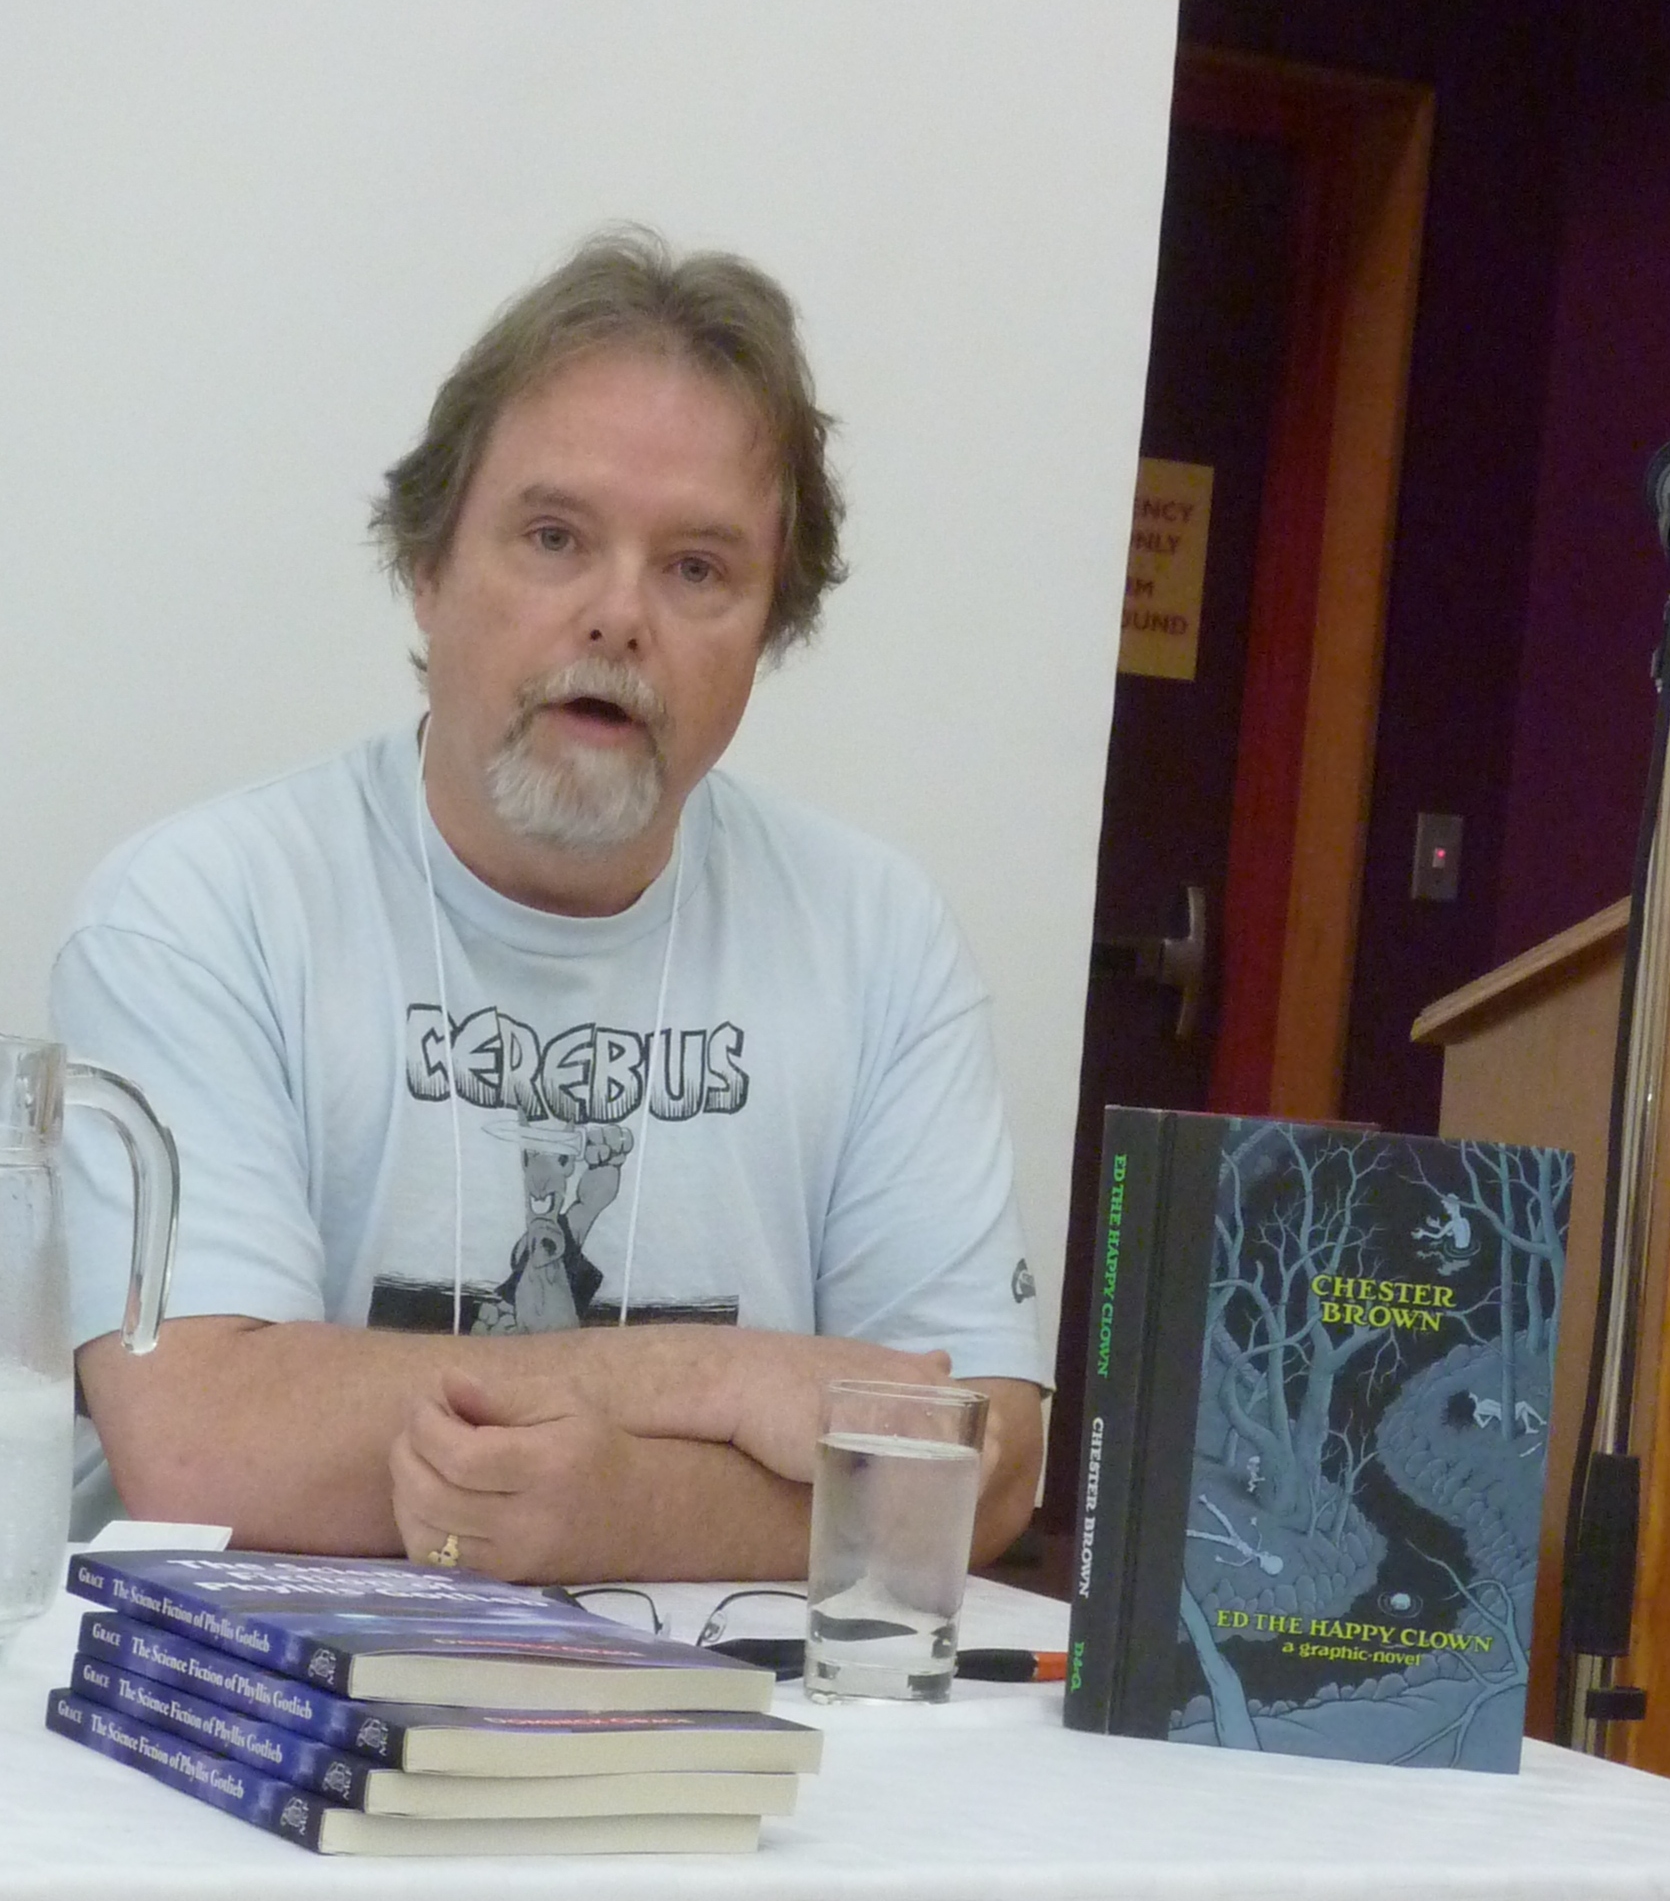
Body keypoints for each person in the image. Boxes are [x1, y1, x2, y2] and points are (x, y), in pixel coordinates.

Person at [53, 228, 1049, 1581]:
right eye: (553, 537)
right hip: (259, 1690)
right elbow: (206, 1441)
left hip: (723, 1701)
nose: (618, 615)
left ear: (770, 628)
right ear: (427, 568)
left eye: (698, 569)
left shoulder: (878, 937)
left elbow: (983, 1461)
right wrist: (720, 1379)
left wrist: (635, 1509)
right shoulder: (200, 910)